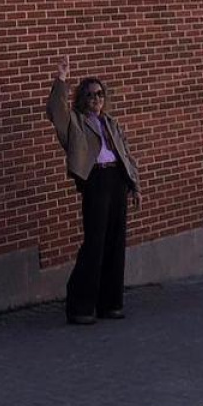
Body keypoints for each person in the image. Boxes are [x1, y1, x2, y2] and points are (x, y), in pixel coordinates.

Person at [45, 56, 140, 325]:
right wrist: (61, 79)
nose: (96, 99)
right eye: (90, 95)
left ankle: (110, 304)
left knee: (115, 242)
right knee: (95, 243)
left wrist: (134, 185)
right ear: (81, 99)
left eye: (99, 94)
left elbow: (126, 154)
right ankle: (80, 307)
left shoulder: (111, 123)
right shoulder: (74, 122)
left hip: (117, 180)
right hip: (95, 181)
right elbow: (55, 111)